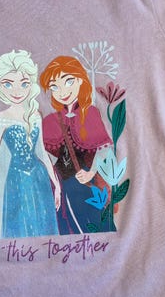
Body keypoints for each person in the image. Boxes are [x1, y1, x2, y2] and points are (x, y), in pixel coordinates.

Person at [0, 50, 60, 239]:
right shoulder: (0, 118)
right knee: (21, 226)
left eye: (24, 84)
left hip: (39, 177)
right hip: (15, 180)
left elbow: (41, 152)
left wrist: (56, 185)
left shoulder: (35, 116)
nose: (16, 91)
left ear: (31, 85)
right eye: (8, 84)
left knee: (43, 224)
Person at [40, 56, 112, 234]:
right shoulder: (49, 121)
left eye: (68, 82)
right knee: (69, 228)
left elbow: (104, 150)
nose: (62, 91)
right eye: (55, 87)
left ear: (80, 80)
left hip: (88, 184)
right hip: (64, 188)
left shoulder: (91, 113)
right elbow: (46, 157)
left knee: (96, 224)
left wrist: (91, 173)